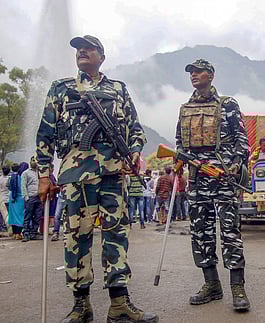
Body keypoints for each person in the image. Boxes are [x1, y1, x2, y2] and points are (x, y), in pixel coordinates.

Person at [35, 35, 158, 323]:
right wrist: (44, 174)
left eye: (89, 49)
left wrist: (136, 153)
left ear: (102, 57)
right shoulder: (61, 89)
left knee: (117, 237)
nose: (82, 52)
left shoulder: (118, 89)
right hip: (76, 178)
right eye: (79, 49)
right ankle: (81, 306)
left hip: (113, 175)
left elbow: (135, 129)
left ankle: (119, 304)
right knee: (76, 239)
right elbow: (45, 134)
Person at [176, 59, 250, 311]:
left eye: (198, 72)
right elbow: (179, 141)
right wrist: (181, 158)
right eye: (191, 73)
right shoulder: (185, 107)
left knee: (230, 233)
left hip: (223, 176)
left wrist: (236, 164)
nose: (194, 76)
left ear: (211, 75)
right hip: (197, 180)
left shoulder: (228, 104)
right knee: (201, 233)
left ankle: (237, 288)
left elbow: (242, 139)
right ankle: (211, 284)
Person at [21, 156, 44, 242]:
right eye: (33, 160)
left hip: (39, 197)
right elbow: (23, 186)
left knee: (37, 216)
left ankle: (34, 233)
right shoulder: (26, 173)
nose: (34, 162)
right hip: (30, 197)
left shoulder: (40, 172)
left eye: (36, 160)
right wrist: (26, 198)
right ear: (30, 161)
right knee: (28, 216)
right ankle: (26, 234)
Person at [8, 163, 28, 240]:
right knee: (21, 216)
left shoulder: (12, 177)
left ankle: (14, 233)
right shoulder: (23, 177)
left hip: (12, 198)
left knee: (13, 216)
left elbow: (9, 187)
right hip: (21, 198)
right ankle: (18, 234)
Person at [0, 165, 10, 232]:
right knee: (8, 214)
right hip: (9, 198)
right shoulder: (10, 178)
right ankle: (8, 227)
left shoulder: (0, 178)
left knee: (1, 214)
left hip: (2, 198)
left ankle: (2, 227)